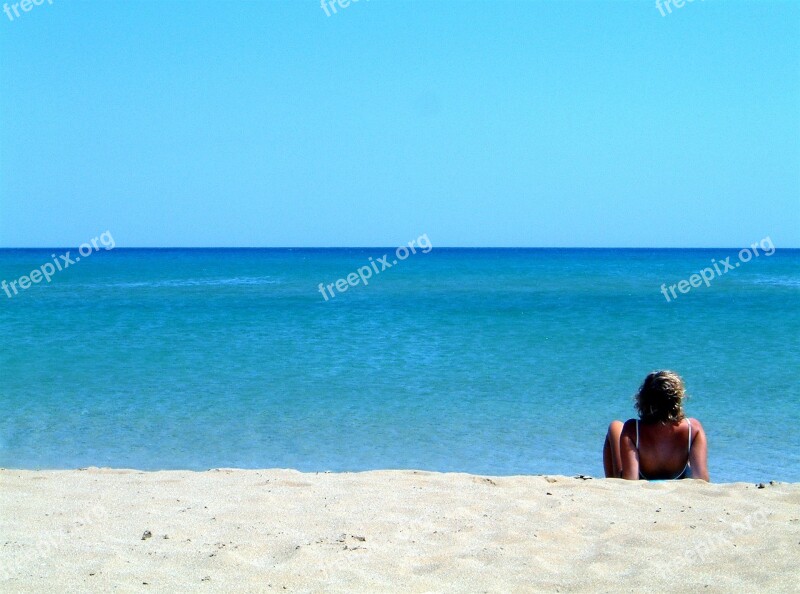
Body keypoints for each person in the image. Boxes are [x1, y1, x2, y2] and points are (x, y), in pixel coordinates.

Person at [603, 370, 709, 481]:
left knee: (615, 426)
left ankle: (611, 484)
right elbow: (701, 479)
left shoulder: (633, 429)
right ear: (677, 399)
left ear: (644, 399)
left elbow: (631, 480)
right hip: (677, 474)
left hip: (641, 477)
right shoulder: (693, 428)